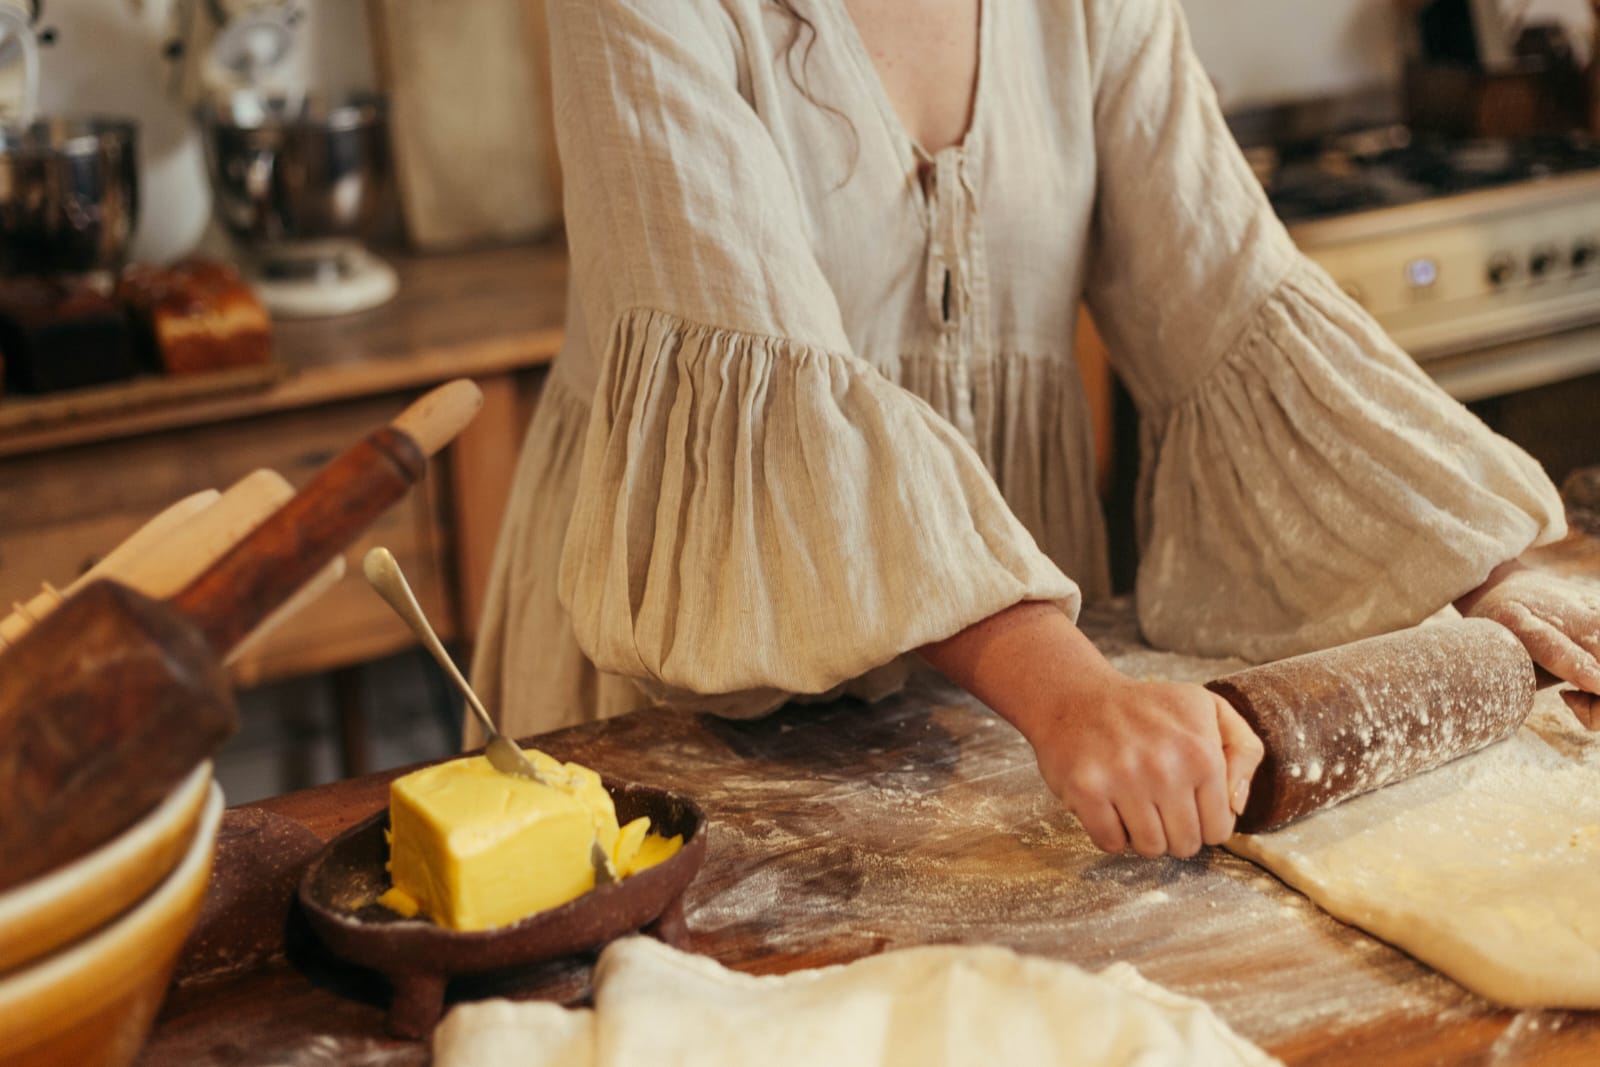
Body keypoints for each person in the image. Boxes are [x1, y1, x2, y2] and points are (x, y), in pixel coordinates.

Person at [470, 0, 1600, 859]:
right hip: (709, 662)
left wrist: (1467, 568)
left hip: (1004, 692)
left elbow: (1225, 299)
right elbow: (753, 347)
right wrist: (1068, 693)